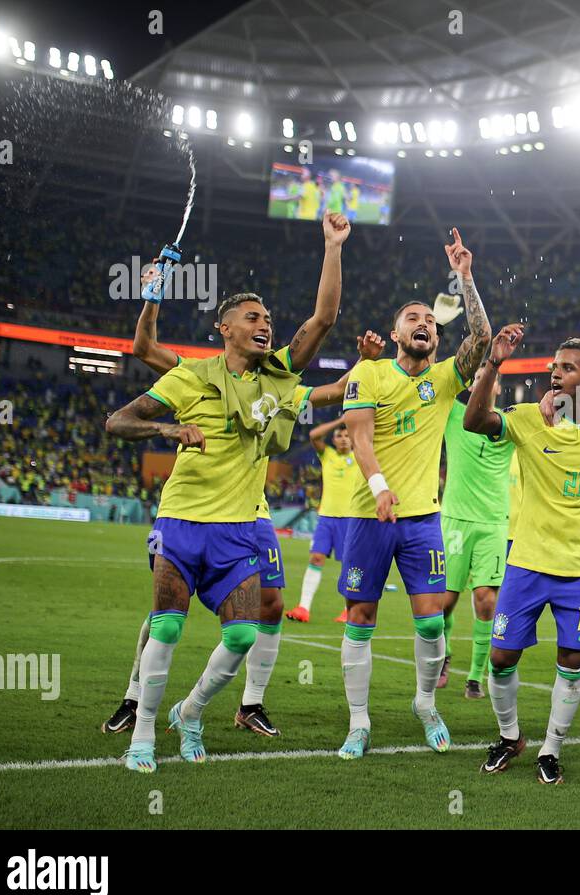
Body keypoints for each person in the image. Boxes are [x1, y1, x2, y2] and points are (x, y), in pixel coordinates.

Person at [105, 212, 349, 772]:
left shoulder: (278, 375)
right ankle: (141, 733)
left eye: (268, 317)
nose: (265, 324)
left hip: (239, 526)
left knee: (242, 634)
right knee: (166, 623)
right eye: (253, 317)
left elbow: (324, 318)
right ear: (226, 328)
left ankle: (191, 713)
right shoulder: (190, 375)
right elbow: (118, 421)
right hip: (183, 519)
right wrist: (170, 430)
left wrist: (332, 247)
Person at [333, 227, 492, 759]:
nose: (423, 323)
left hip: (423, 519)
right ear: (395, 331)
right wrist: (379, 488)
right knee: (361, 617)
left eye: (430, 320)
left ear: (437, 339)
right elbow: (358, 437)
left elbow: (483, 340)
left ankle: (426, 704)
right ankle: (359, 722)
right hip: (368, 516)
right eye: (412, 318)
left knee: (430, 619)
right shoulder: (369, 373)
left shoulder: (446, 379)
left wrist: (465, 277)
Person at [463, 326, 580, 783]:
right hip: (527, 563)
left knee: (573, 661)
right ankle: (510, 736)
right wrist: (493, 363)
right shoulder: (527, 417)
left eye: (567, 368)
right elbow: (473, 421)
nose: (555, 373)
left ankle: (551, 749)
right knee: (500, 658)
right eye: (554, 366)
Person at [441, 373, 513, 700]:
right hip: (455, 520)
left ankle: (474, 676)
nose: (484, 383)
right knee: (443, 604)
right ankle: (443, 654)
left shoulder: (511, 424)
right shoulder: (453, 414)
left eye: (491, 378)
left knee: (486, 600)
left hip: (493, 523)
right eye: (478, 377)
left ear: (498, 386)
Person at [285, 417, 361, 623]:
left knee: (350, 565)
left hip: (350, 519)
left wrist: (352, 426)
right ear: (333, 440)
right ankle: (303, 608)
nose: (344, 439)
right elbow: (313, 435)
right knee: (316, 558)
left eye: (347, 435)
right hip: (326, 518)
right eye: (339, 435)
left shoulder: (360, 457)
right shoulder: (327, 455)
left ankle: (350, 610)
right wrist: (342, 420)